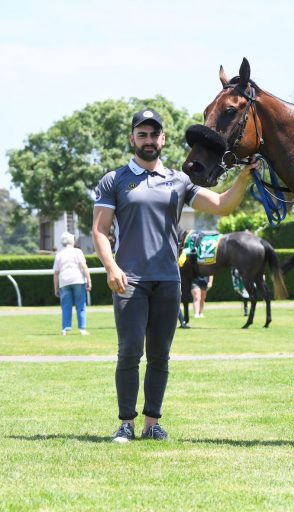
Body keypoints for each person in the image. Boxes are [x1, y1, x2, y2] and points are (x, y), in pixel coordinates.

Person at [92, 108, 256, 443]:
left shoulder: (179, 181)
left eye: (154, 135)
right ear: (132, 139)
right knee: (129, 350)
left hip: (168, 279)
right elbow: (99, 230)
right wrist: (112, 267)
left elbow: (222, 204)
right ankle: (126, 422)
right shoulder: (115, 180)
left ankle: (153, 423)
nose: (148, 141)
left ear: (163, 139)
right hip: (130, 280)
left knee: (160, 354)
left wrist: (244, 179)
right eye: (142, 134)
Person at [53, 232, 92, 335]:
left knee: (66, 306)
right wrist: (89, 280)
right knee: (81, 305)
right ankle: (82, 329)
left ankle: (65, 328)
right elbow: (84, 266)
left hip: (64, 281)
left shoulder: (59, 254)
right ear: (72, 241)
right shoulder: (78, 252)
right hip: (77, 279)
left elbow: (56, 273)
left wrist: (56, 288)